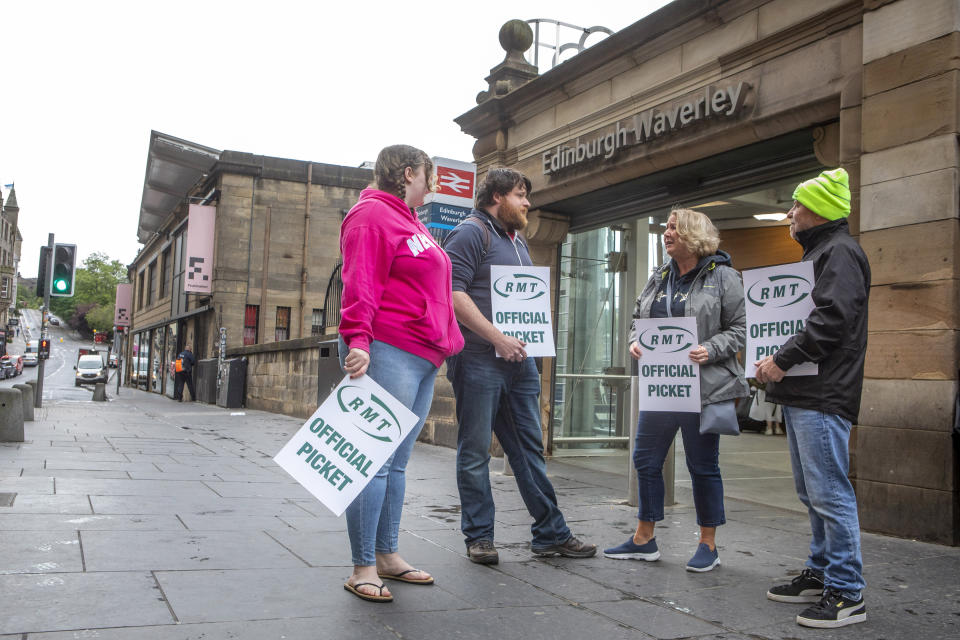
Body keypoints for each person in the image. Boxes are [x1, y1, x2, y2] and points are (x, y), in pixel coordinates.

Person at [444, 167, 596, 565]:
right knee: (475, 451)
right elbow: (451, 293)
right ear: (496, 197)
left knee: (529, 449)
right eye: (520, 195)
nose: (527, 202)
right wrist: (496, 337)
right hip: (478, 359)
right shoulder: (470, 233)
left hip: (519, 364)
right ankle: (479, 537)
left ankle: (550, 533)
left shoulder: (518, 241)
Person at [337, 144, 464, 603]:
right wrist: (357, 340)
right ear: (407, 173)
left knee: (397, 463)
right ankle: (363, 565)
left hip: (423, 353)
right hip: (389, 348)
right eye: (427, 177)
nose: (431, 186)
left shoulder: (409, 220)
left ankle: (387, 554)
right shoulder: (371, 215)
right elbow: (360, 281)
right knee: (371, 462)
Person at [755, 168, 869, 629]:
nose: (789, 213)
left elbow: (831, 320)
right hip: (808, 391)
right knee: (812, 491)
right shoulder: (824, 252)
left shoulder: (839, 252)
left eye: (797, 205)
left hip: (823, 392)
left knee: (829, 493)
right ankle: (822, 572)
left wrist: (781, 359)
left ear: (819, 209)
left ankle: (847, 592)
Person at [604, 208, 747, 572]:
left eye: (674, 228)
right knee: (645, 460)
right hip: (663, 386)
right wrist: (636, 342)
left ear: (693, 235)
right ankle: (643, 538)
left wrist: (710, 348)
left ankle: (707, 544)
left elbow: (740, 329)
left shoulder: (725, 278)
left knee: (702, 465)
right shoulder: (660, 276)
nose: (666, 233)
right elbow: (638, 320)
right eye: (666, 227)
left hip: (704, 389)